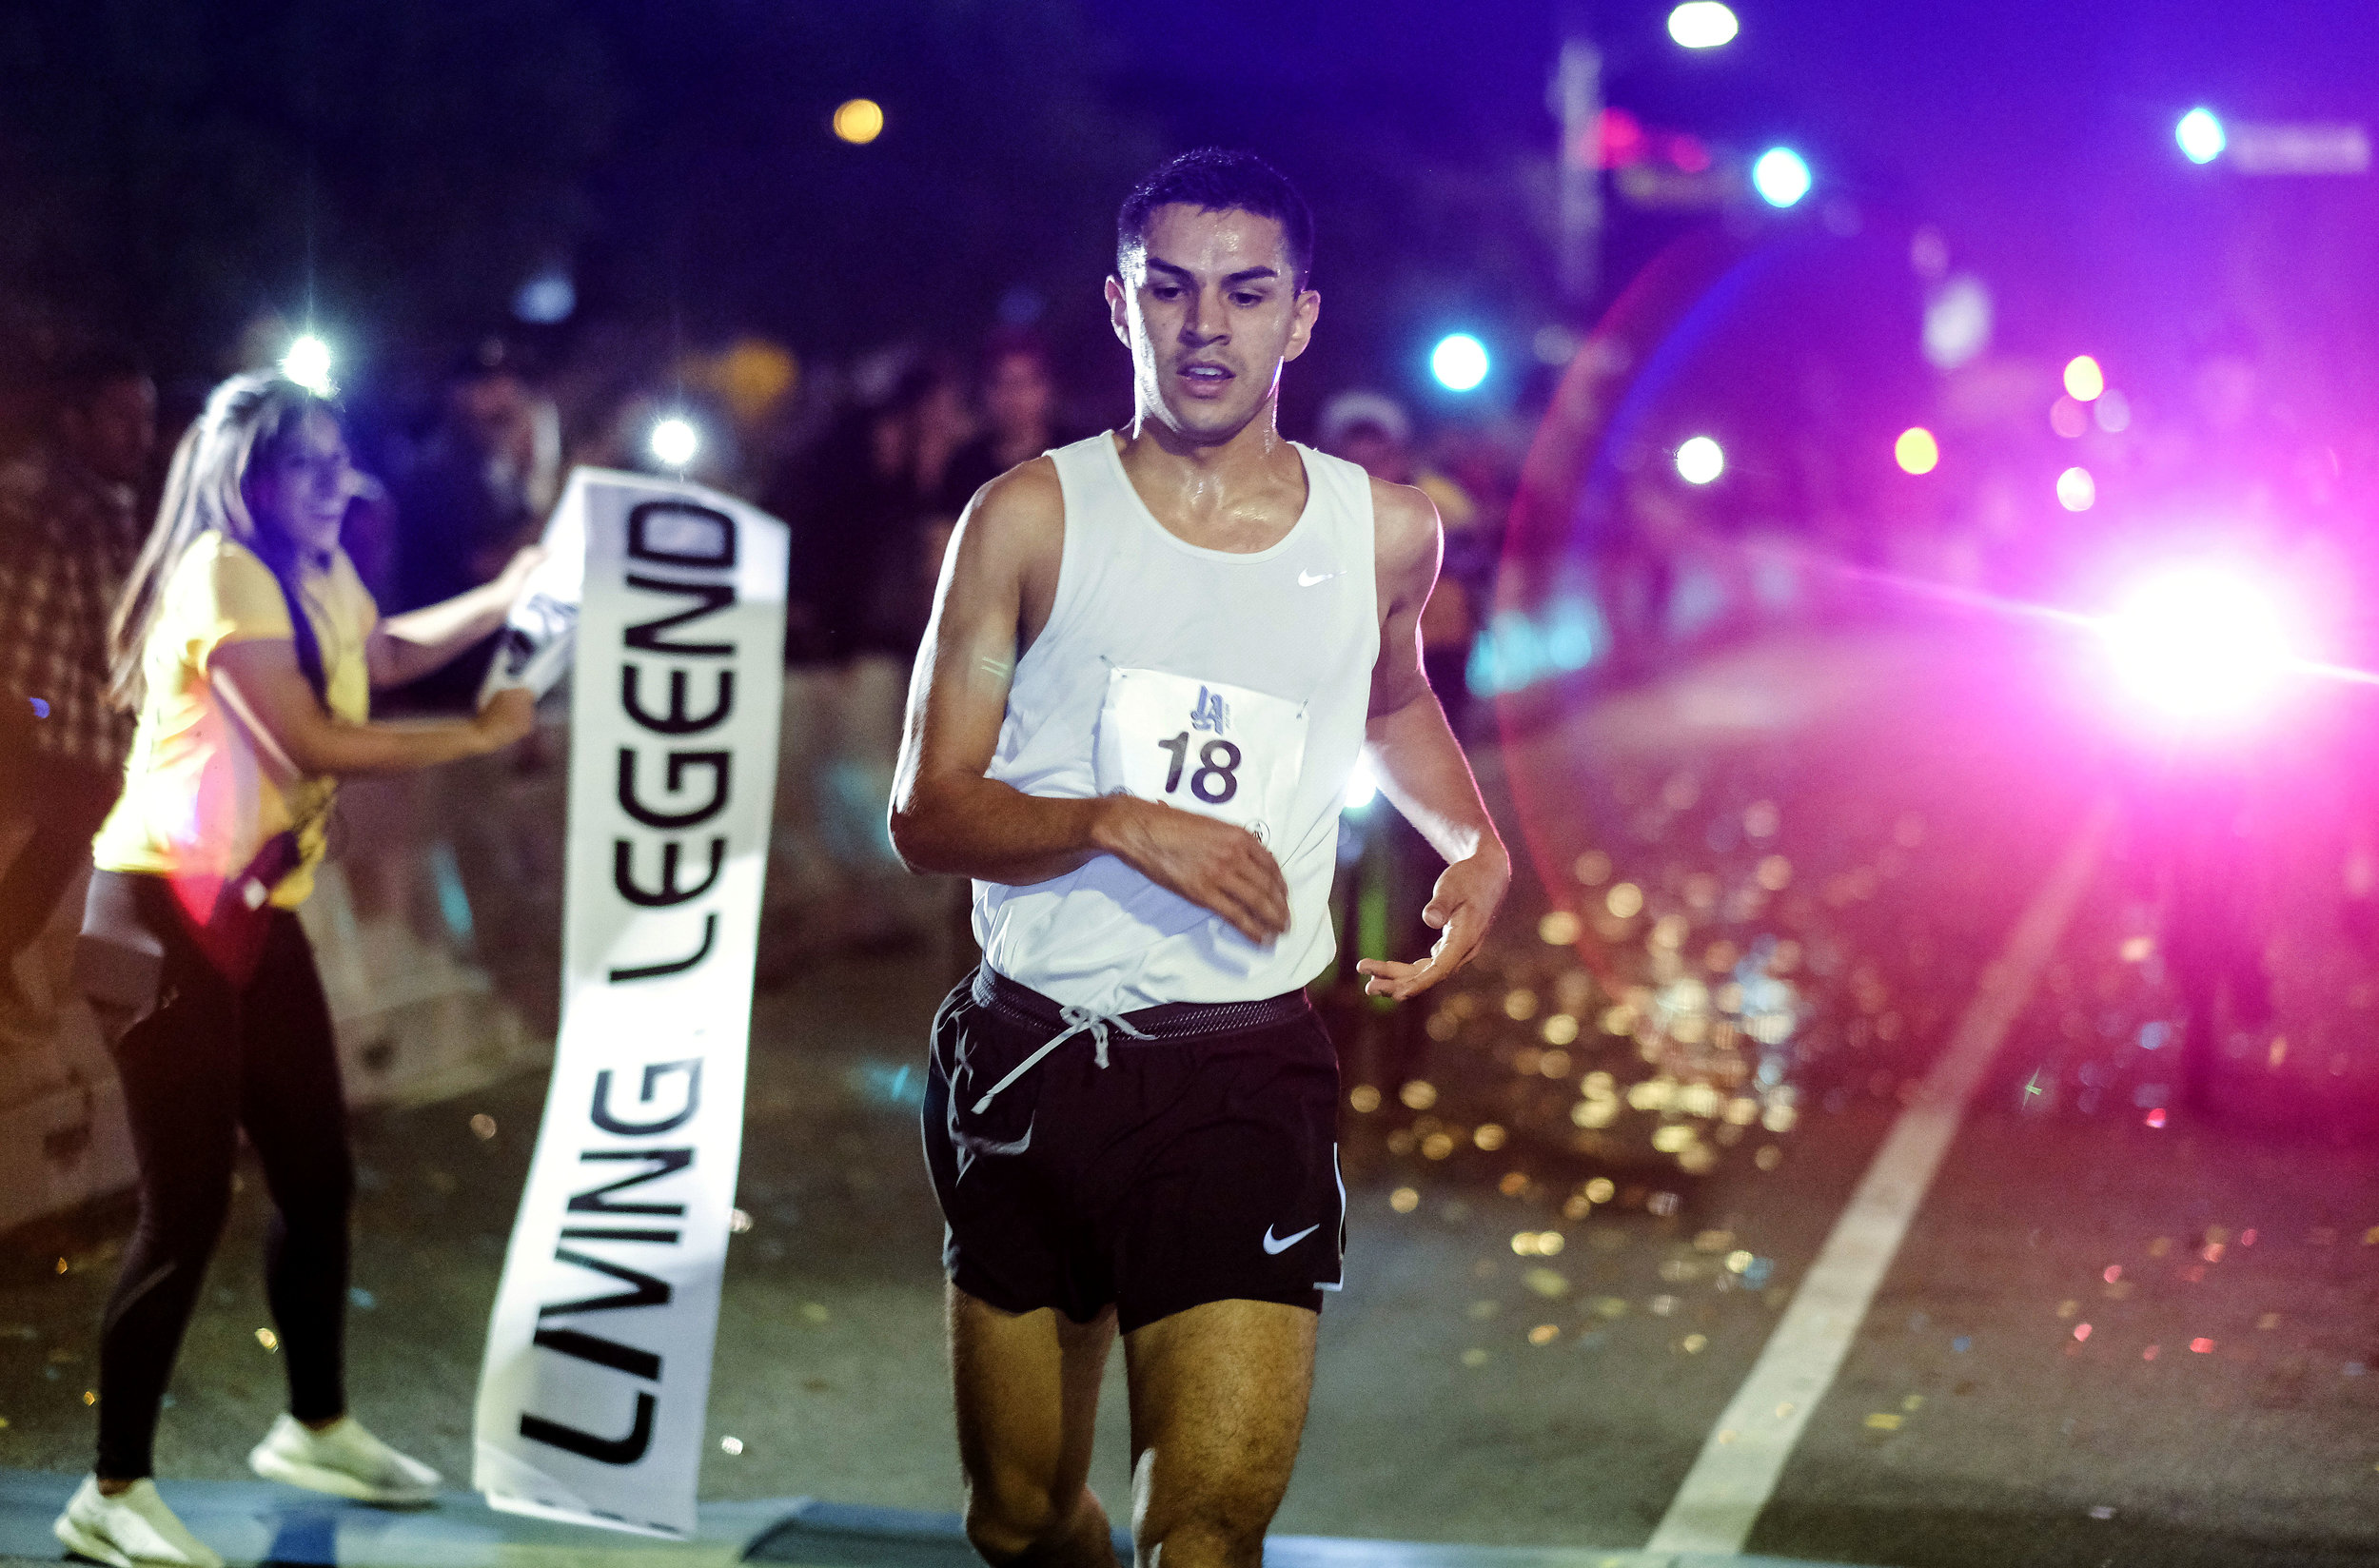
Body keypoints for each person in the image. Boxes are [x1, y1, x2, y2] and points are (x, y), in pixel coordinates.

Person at [890, 148, 1510, 1568]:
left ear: (1301, 317)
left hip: (1245, 1069)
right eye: (1171, 291)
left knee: (1213, 1529)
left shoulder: (1384, 532)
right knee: (1021, 1517)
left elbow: (1394, 694)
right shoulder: (1029, 518)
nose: (1206, 326)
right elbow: (928, 815)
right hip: (1034, 1058)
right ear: (1121, 308)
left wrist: (1473, 840)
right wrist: (1115, 819)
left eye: (1245, 293)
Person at [52, 372, 541, 1568]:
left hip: (256, 912)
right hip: (160, 910)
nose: (337, 482)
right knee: (187, 1207)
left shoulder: (314, 570)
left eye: (340, 457)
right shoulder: (224, 568)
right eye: (307, 465)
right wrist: (473, 732)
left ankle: (312, 1425)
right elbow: (311, 734)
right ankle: (110, 1488)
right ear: (250, 476)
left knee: (316, 1172)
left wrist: (504, 597)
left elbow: (376, 647)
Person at [0, 349, 157, 1023]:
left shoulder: (94, 504)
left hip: (63, 720)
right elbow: (111, 642)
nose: (140, 435)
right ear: (75, 423)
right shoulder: (76, 514)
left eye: (145, 419)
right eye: (122, 419)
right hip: (60, 724)